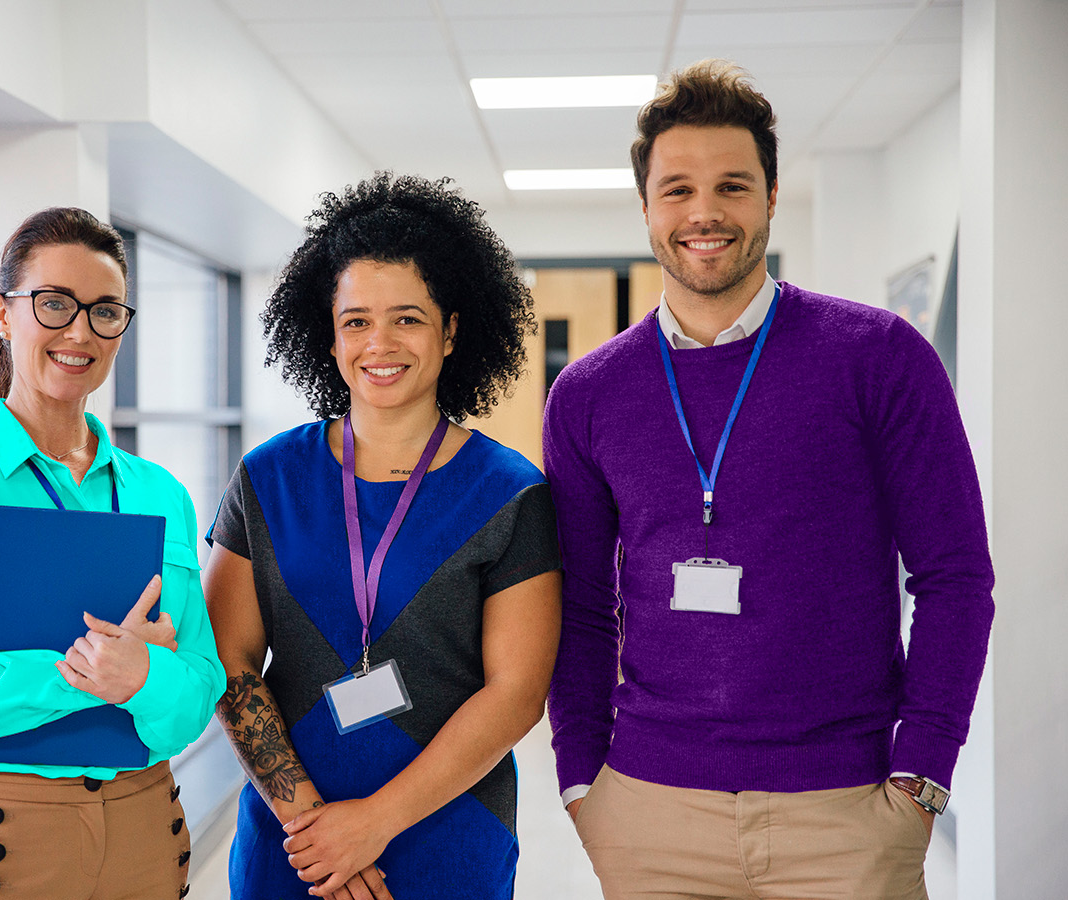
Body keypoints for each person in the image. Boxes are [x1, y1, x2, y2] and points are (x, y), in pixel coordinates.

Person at [544, 60, 995, 900]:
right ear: (645, 205)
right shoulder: (588, 393)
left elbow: (957, 578)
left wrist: (923, 774)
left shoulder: (879, 357)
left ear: (772, 196)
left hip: (846, 814)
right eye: (676, 189)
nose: (704, 213)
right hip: (650, 814)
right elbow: (577, 604)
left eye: (732, 186)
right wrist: (582, 780)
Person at [204, 173, 561, 900]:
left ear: (451, 329)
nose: (380, 343)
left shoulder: (510, 492)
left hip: (449, 831)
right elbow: (229, 661)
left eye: (408, 318)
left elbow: (517, 693)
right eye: (357, 320)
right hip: (291, 841)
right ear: (328, 334)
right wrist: (313, 826)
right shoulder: (267, 478)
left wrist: (373, 823)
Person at [0, 207, 225, 900]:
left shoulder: (160, 494)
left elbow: (197, 693)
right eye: (54, 304)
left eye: (105, 311)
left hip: (143, 828)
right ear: (3, 315)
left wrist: (149, 679)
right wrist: (95, 672)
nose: (80, 332)